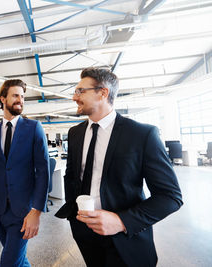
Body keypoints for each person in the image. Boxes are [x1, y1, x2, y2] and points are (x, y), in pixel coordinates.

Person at [55, 67, 183, 267]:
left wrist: (122, 221)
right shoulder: (75, 133)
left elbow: (170, 197)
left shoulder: (142, 134)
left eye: (81, 91)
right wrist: (75, 213)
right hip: (85, 233)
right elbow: (72, 175)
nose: (74, 97)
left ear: (103, 93)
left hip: (125, 238)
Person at [0, 79, 49, 266]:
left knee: (7, 262)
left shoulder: (34, 128)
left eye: (22, 97)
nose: (20, 100)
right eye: (15, 95)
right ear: (3, 99)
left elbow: (43, 172)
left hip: (24, 210)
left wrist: (36, 211)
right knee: (18, 259)